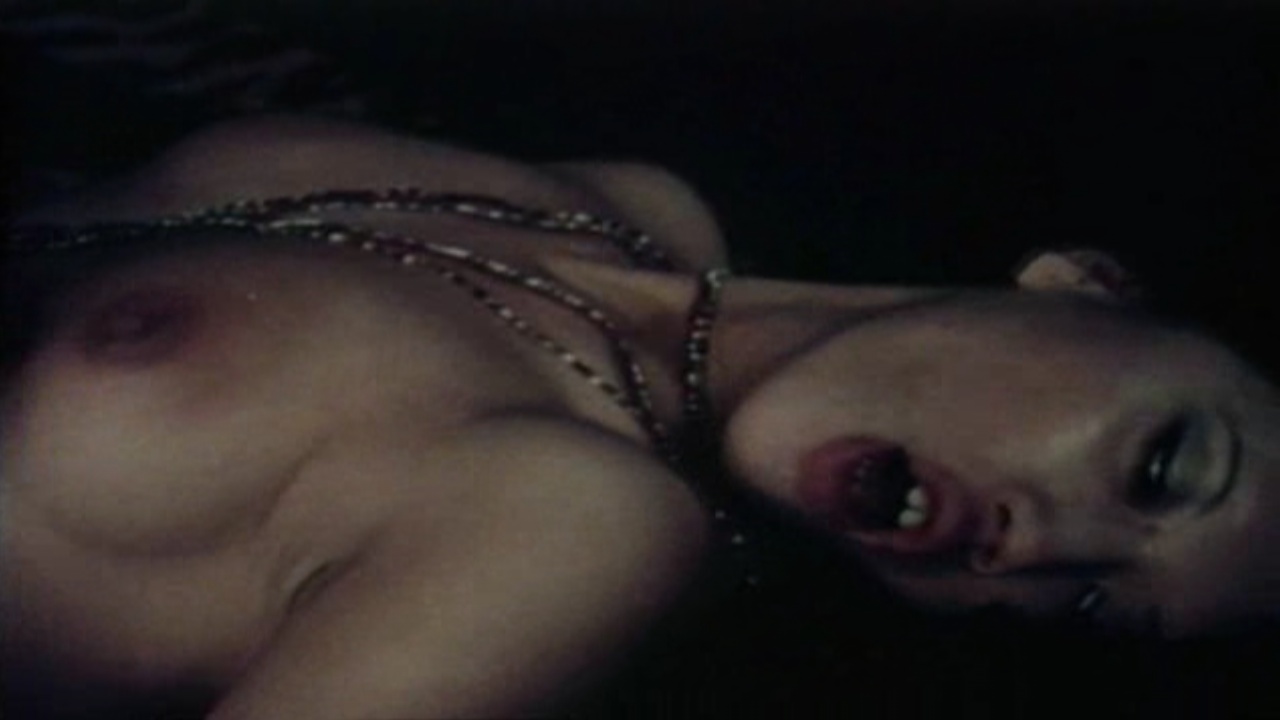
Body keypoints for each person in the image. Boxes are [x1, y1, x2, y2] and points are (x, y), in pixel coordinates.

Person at [3, 114, 1276, 719]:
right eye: (1162, 468)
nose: (1037, 552)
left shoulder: (579, 532)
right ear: (1086, 286)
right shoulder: (621, 202)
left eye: (1094, 607)